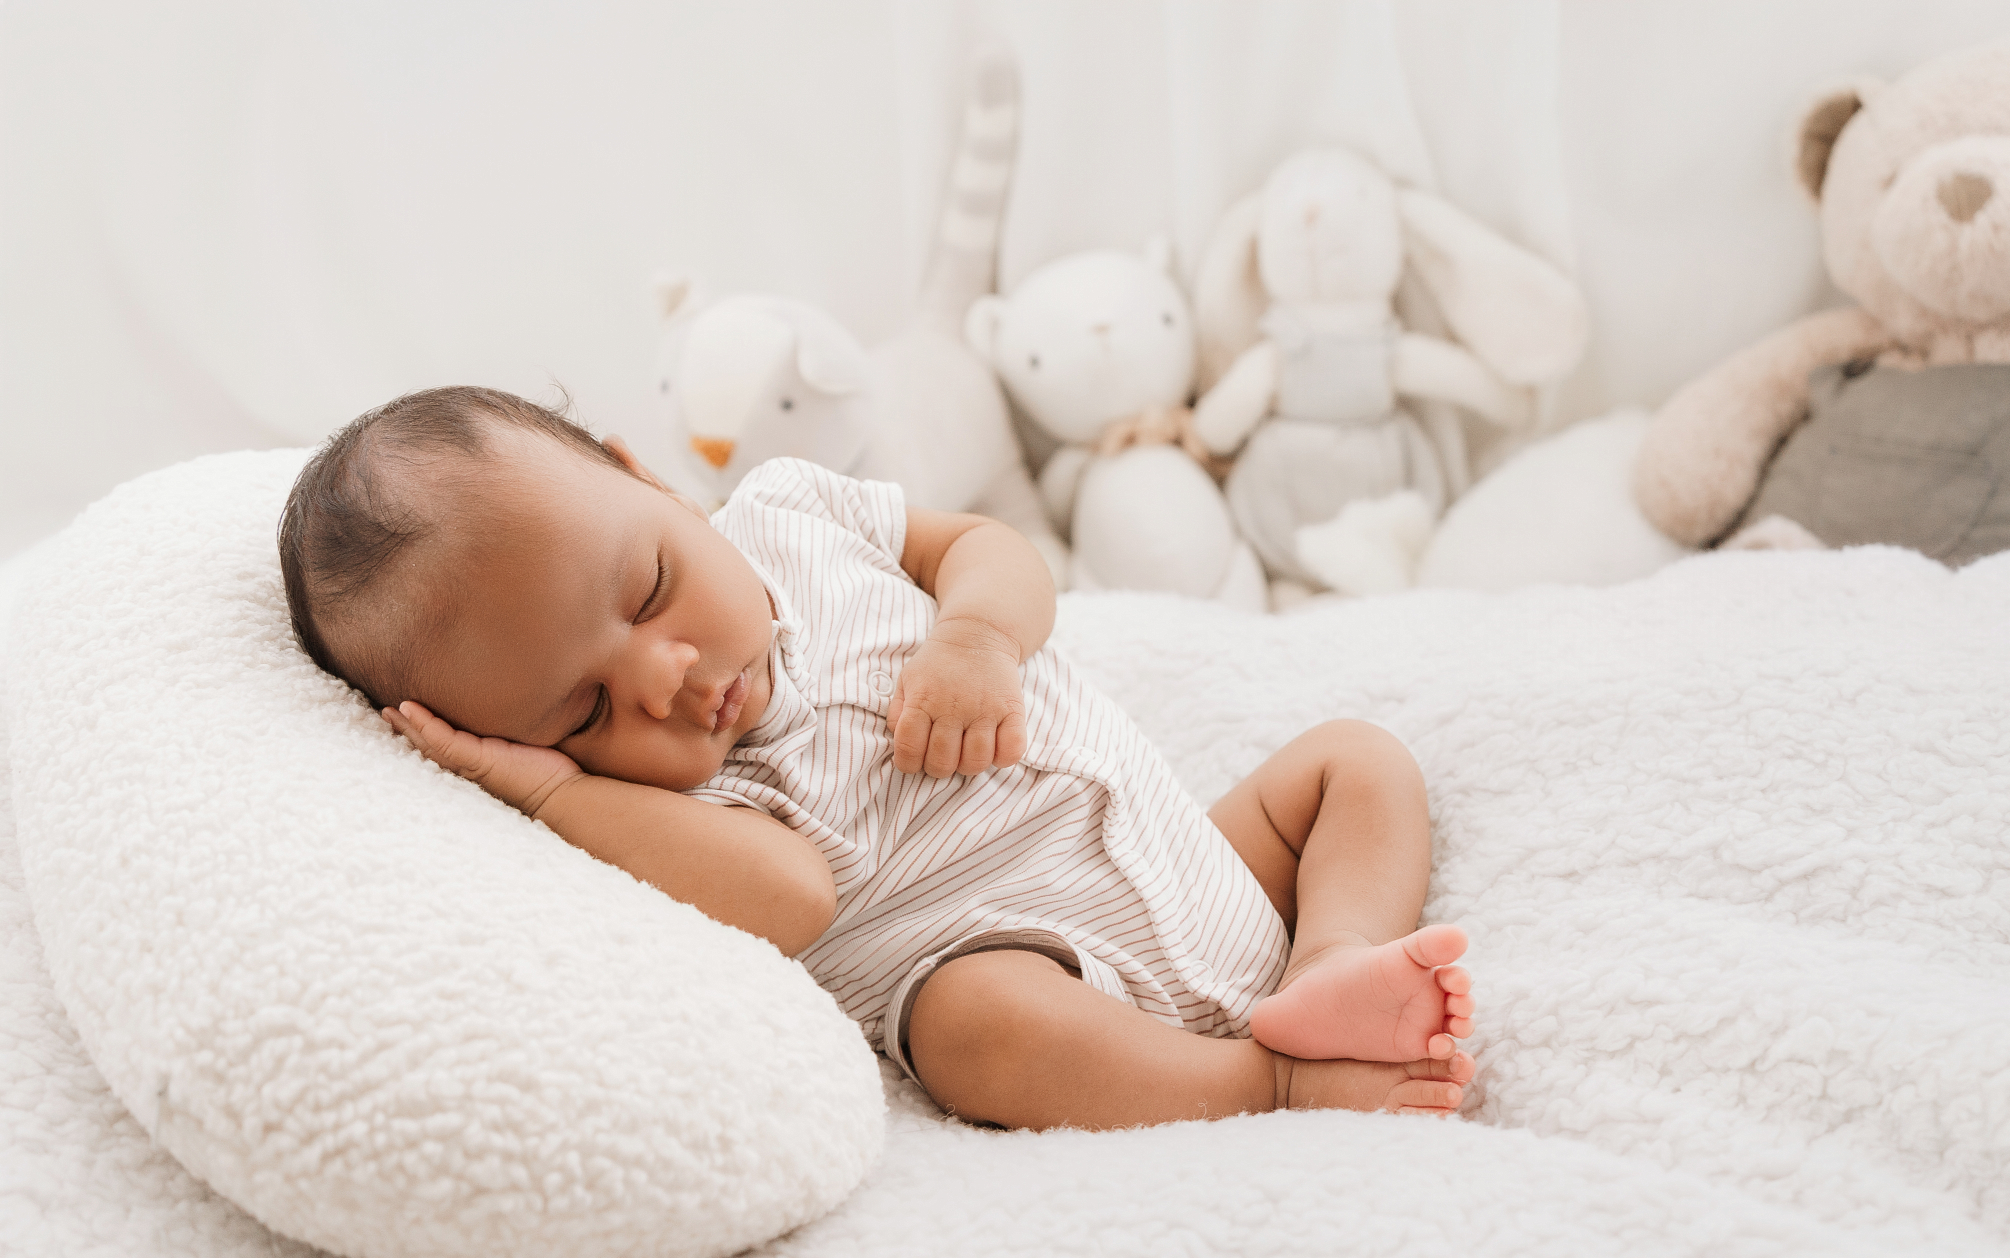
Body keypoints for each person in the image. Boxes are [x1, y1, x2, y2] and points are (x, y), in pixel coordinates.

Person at [279, 386, 1475, 1131]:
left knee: (1354, 764)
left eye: (647, 587)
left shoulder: (794, 511)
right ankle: (1264, 1087)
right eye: (583, 709)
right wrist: (552, 792)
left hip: (1206, 865)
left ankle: (1331, 966)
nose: (665, 677)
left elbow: (993, 549)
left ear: (641, 475)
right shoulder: (680, 806)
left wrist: (973, 632)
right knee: (971, 1028)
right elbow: (792, 898)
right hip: (1048, 972)